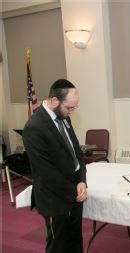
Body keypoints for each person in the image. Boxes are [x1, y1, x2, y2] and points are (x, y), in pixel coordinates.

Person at [23, 79, 87, 253]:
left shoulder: (63, 117)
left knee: (74, 240)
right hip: (54, 197)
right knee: (58, 244)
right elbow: (45, 171)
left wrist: (81, 180)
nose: (71, 112)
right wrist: (72, 191)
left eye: (75, 107)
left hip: (74, 190)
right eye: (69, 107)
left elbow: (76, 154)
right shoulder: (34, 127)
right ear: (54, 101)